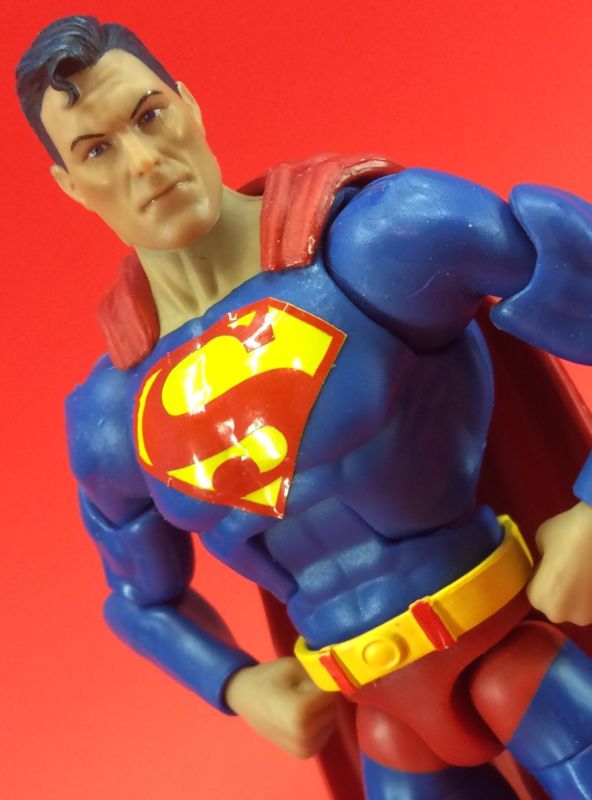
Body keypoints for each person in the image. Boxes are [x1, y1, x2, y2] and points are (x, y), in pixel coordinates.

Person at [16, 15, 592, 799]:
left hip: (509, 649)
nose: (144, 162)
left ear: (188, 105)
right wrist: (235, 683)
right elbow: (138, 598)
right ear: (70, 186)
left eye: (149, 116)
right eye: (97, 150)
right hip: (380, 714)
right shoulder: (113, 415)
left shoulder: (382, 242)